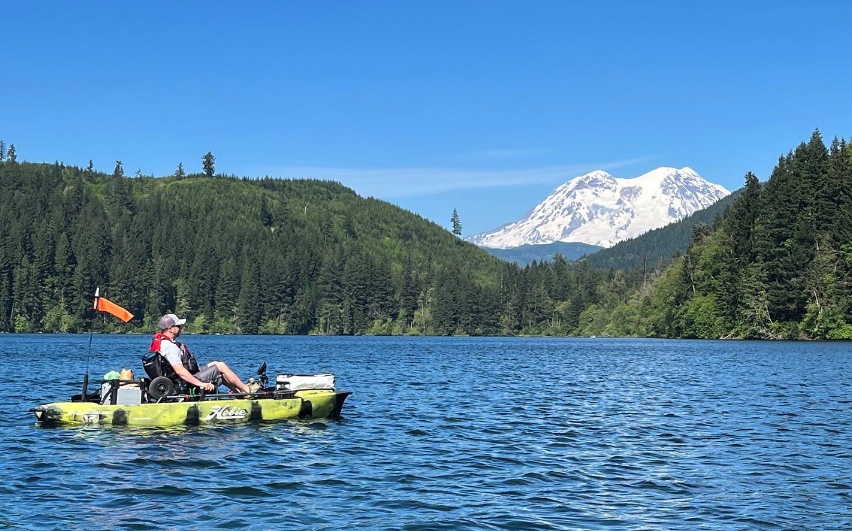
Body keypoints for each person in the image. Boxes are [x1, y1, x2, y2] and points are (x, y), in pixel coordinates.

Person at [149, 313, 252, 394]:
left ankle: (239, 393)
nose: (181, 328)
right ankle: (247, 391)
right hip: (185, 381)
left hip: (185, 376)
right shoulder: (170, 347)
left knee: (215, 363)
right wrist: (201, 384)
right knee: (220, 366)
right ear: (170, 328)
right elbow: (180, 371)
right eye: (179, 326)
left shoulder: (163, 342)